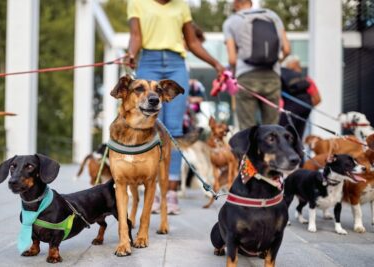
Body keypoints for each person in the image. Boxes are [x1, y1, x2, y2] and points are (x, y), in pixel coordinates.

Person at [127, 0, 224, 214]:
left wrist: (216, 64)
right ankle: (153, 190)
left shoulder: (181, 5)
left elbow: (193, 42)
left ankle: (171, 193)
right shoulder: (137, 3)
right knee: (149, 128)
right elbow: (136, 37)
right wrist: (131, 54)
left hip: (176, 64)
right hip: (149, 61)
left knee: (174, 129)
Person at [223, 0, 291, 130]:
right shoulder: (272, 16)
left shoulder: (231, 22)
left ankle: (250, 150)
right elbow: (287, 49)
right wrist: (277, 63)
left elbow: (232, 59)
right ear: (250, 2)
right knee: (272, 128)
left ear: (236, 3)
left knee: (247, 128)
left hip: (246, 77)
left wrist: (234, 76)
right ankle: (271, 150)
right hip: (272, 75)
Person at [279, 55, 321, 138]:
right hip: (304, 113)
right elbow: (317, 99)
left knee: (282, 138)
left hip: (283, 114)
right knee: (298, 140)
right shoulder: (306, 79)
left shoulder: (280, 78)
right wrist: (303, 107)